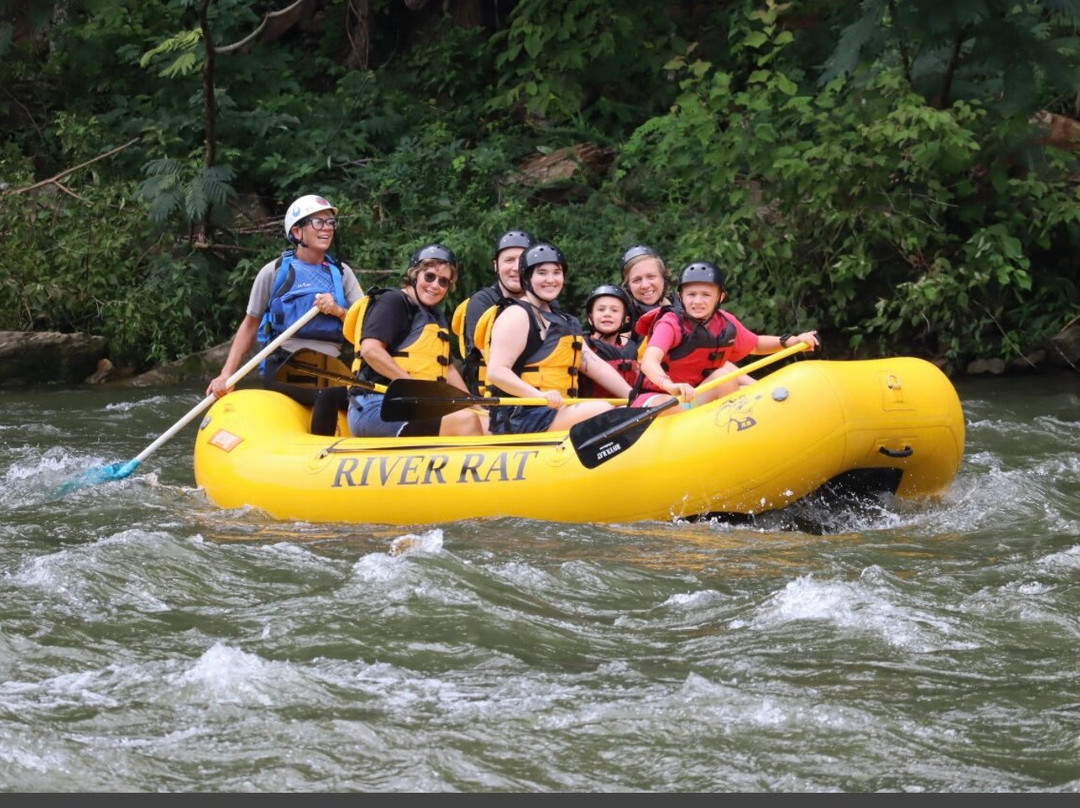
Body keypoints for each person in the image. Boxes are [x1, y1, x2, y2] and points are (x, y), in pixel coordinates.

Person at [206, 194, 364, 436]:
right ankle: (319, 459)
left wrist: (338, 311)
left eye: (330, 223)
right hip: (285, 365)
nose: (328, 228)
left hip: (330, 366)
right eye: (319, 223)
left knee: (368, 397)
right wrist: (227, 374)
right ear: (298, 233)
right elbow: (250, 325)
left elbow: (365, 328)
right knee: (328, 390)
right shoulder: (274, 272)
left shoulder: (342, 274)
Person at [483, 242, 635, 434]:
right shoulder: (516, 315)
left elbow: (595, 365)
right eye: (542, 273)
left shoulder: (563, 320)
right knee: (602, 410)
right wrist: (540, 396)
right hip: (520, 416)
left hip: (553, 410)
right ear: (527, 277)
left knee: (627, 412)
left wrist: (634, 396)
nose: (551, 279)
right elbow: (496, 372)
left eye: (556, 272)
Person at [632, 260, 820, 413]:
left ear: (720, 298)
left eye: (706, 295)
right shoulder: (670, 323)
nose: (697, 301)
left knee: (725, 375)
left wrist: (791, 341)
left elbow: (756, 344)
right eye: (691, 294)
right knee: (667, 404)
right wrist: (670, 385)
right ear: (680, 296)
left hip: (697, 395)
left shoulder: (725, 323)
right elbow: (650, 361)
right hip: (659, 397)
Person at [346, 244, 484, 438]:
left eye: (443, 282)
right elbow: (370, 350)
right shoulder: (393, 301)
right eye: (429, 276)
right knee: (466, 421)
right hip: (375, 406)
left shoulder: (433, 316)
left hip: (413, 405)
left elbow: (449, 370)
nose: (435, 285)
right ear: (414, 275)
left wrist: (477, 406)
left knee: (484, 421)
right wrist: (414, 389)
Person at [451, 229, 536, 395]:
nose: (516, 268)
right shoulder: (480, 303)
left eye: (522, 260)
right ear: (496, 265)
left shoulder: (547, 304)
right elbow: (496, 362)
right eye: (509, 260)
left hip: (541, 398)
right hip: (492, 402)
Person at [579, 283, 639, 400]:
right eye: (601, 309)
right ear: (590, 318)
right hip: (592, 413)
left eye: (614, 310)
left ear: (626, 319)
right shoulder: (582, 344)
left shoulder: (631, 349)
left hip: (628, 411)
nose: (607, 314)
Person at [619, 244, 678, 337]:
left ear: (664, 277)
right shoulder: (621, 321)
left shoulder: (685, 308)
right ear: (628, 286)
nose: (645, 285)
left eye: (651, 277)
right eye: (637, 280)